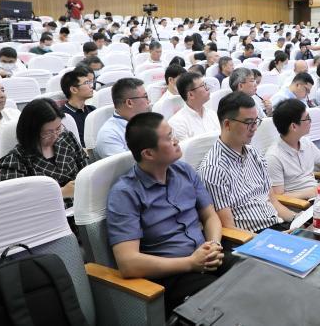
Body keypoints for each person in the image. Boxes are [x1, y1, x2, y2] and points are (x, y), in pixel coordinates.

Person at [107, 112, 235, 317]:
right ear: (149, 154)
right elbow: (128, 263)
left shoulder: (184, 171)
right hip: (173, 275)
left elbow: (210, 216)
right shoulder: (125, 193)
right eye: (168, 138)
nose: (176, 141)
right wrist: (191, 263)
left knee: (259, 275)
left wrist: (213, 245)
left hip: (206, 257)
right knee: (230, 306)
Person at [197, 92, 298, 232]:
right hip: (251, 237)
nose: (254, 128)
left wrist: (298, 220)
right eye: (249, 123)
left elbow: (274, 202)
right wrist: (278, 238)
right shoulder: (214, 169)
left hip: (277, 226)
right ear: (227, 124)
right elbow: (228, 228)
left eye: (256, 121)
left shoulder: (254, 153)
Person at [0, 98, 86, 204]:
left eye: (58, 128)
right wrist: (61, 192)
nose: (55, 136)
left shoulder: (66, 138)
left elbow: (85, 170)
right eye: (47, 132)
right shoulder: (15, 161)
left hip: (82, 203)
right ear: (31, 132)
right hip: (48, 210)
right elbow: (16, 201)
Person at [266, 99, 320, 199]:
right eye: (307, 118)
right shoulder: (273, 157)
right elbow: (278, 197)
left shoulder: (305, 142)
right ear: (294, 126)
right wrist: (314, 192)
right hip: (301, 204)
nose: (310, 121)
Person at [95, 78, 150, 159]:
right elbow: (129, 165)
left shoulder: (147, 122)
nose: (149, 101)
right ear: (129, 103)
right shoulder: (109, 135)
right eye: (145, 97)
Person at [170, 72, 220, 142]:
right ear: (191, 95)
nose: (207, 88)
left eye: (205, 84)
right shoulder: (177, 123)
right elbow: (185, 149)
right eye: (202, 85)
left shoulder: (212, 114)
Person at [60, 67, 96, 147]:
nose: (91, 86)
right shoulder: (63, 116)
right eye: (86, 83)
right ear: (74, 90)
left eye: (90, 82)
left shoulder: (93, 110)